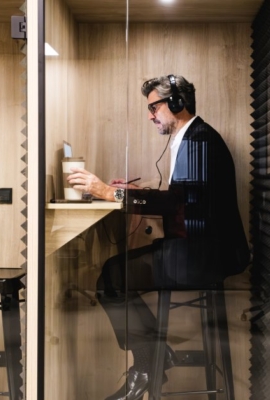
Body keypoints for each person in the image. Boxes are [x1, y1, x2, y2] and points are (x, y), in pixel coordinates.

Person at [67, 74, 249, 400]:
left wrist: (109, 193)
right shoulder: (195, 136)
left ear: (177, 104)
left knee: (112, 276)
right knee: (116, 271)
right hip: (201, 248)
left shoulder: (196, 141)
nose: (150, 115)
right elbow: (187, 197)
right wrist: (138, 193)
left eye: (154, 107)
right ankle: (154, 357)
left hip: (201, 257)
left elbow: (177, 203)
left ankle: (147, 364)